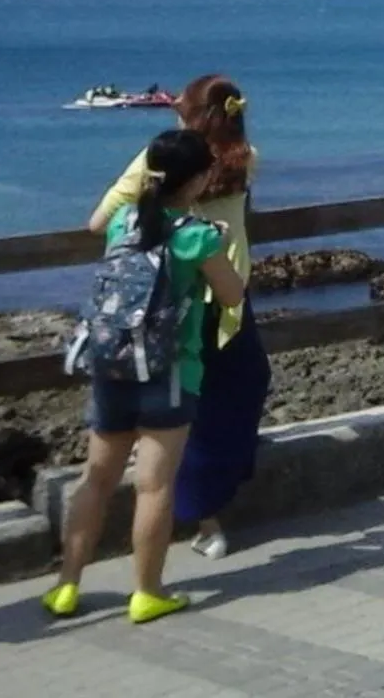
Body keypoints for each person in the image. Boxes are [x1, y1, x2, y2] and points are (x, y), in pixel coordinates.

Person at [45, 130, 246, 625]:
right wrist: (216, 244)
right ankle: (147, 591)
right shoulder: (195, 236)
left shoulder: (122, 222)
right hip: (170, 373)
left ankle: (66, 587)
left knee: (96, 479)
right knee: (154, 487)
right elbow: (232, 296)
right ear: (198, 180)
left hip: (111, 367)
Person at [87, 74, 267, 560]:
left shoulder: (161, 161)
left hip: (179, 300)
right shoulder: (245, 158)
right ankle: (207, 508)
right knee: (231, 394)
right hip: (224, 297)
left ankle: (205, 513)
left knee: (198, 406)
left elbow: (101, 221)